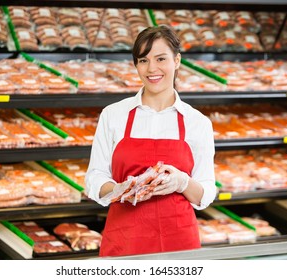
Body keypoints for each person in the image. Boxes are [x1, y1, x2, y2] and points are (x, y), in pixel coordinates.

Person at [85, 25, 216, 257]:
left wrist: (182, 182)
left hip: (179, 244)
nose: (151, 68)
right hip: (125, 240)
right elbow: (94, 178)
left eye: (161, 59)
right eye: (143, 60)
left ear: (177, 61)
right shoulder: (113, 115)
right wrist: (119, 189)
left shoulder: (197, 122)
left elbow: (205, 193)